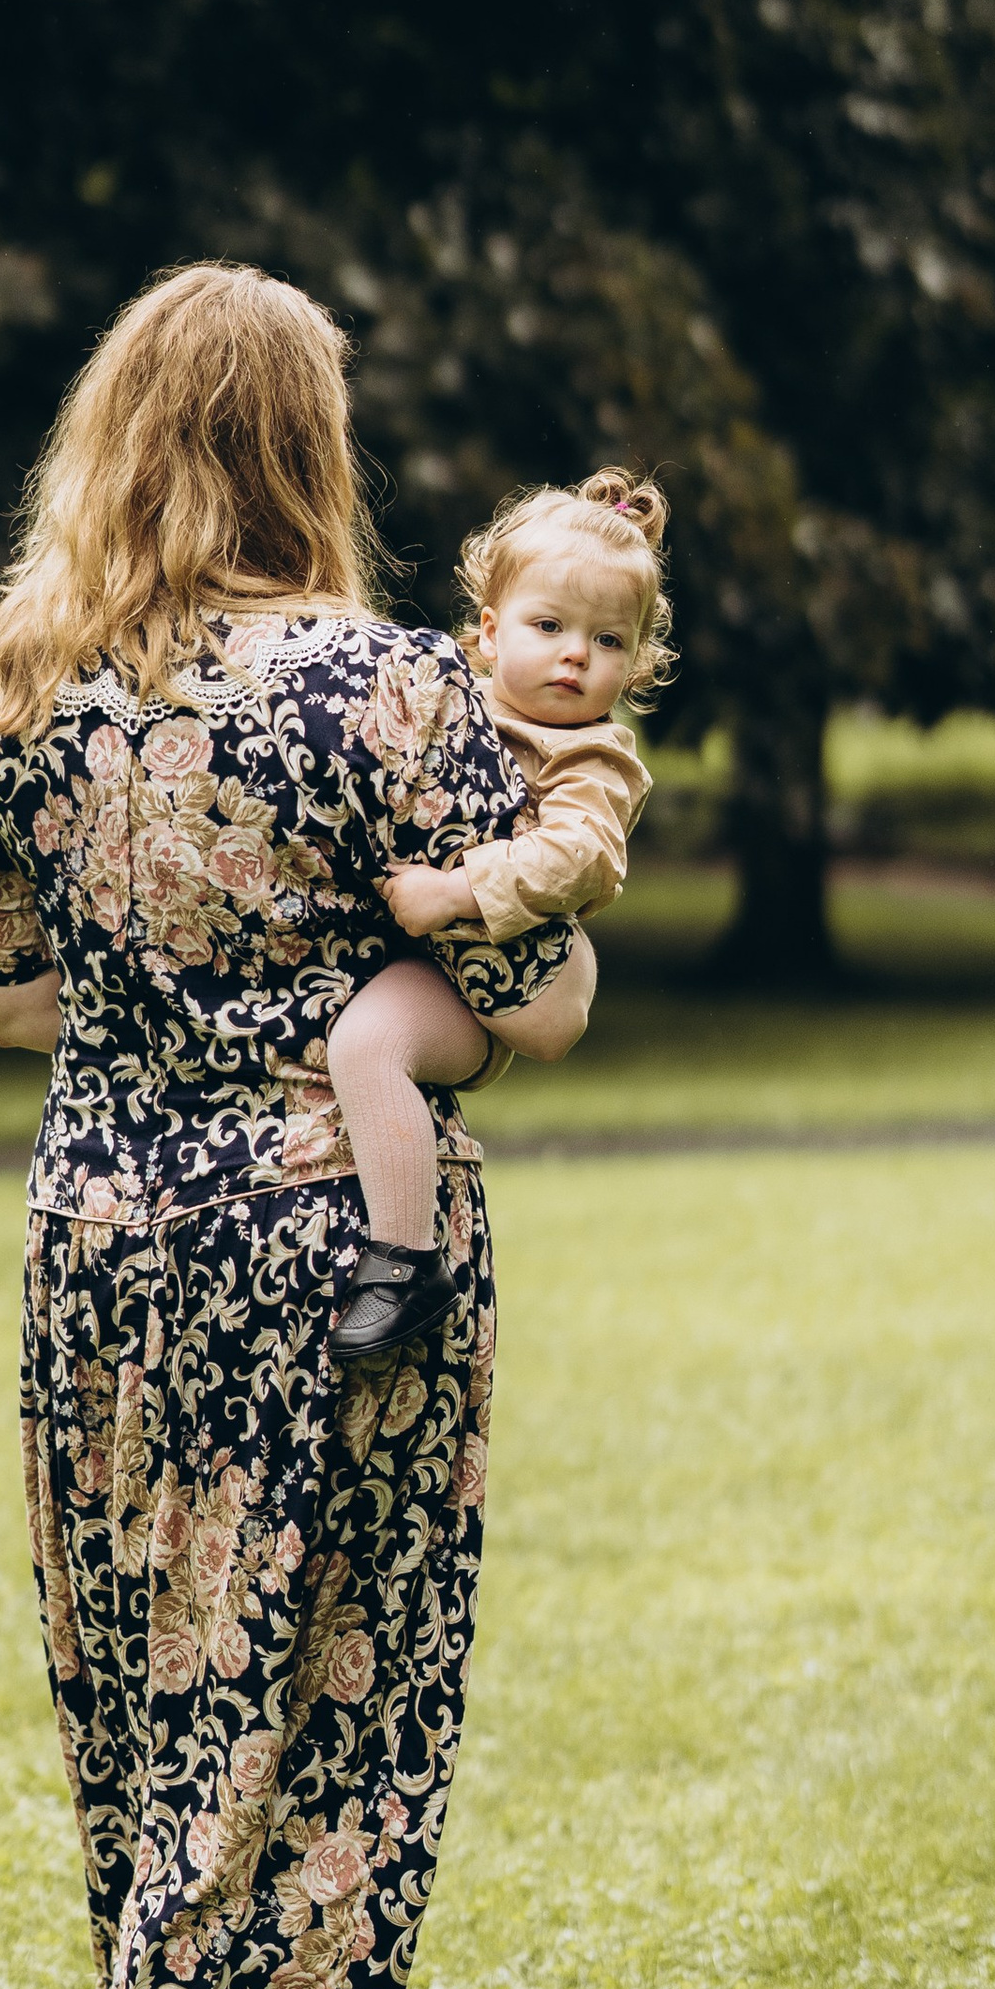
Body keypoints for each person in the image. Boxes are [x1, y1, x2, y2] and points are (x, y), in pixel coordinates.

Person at [0, 264, 594, 1989]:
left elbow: (9, 996)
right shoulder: (395, 692)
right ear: (305, 440)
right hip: (325, 1256)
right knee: (309, 1690)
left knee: (146, 1685)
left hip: (100, 1241)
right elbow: (535, 1004)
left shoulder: (15, 694)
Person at [324, 472, 669, 1360]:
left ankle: (403, 1261)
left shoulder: (589, 757)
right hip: (428, 963)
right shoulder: (450, 707)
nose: (575, 657)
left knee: (368, 1045)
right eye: (548, 627)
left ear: (636, 664)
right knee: (348, 1037)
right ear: (485, 632)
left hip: (495, 985)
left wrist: (458, 889)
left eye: (607, 640)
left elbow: (581, 858)